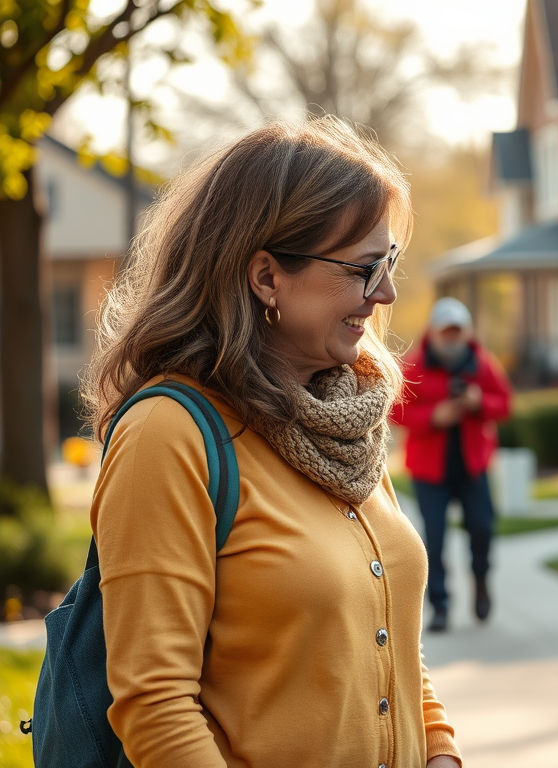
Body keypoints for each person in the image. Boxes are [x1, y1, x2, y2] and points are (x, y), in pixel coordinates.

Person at [80, 117, 461, 768]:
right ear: (266, 277)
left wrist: (440, 752)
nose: (387, 293)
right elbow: (155, 705)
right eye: (365, 268)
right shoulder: (168, 433)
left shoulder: (344, 423)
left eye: (390, 263)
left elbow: (387, 643)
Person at [391, 297, 512, 632]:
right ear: (433, 332)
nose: (451, 338)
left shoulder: (482, 363)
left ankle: (481, 581)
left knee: (482, 528)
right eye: (446, 331)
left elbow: (505, 404)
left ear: (466, 332)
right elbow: (395, 409)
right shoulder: (414, 366)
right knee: (435, 538)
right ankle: (440, 606)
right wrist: (434, 416)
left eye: (457, 331)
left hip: (473, 465)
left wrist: (479, 402)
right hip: (429, 469)